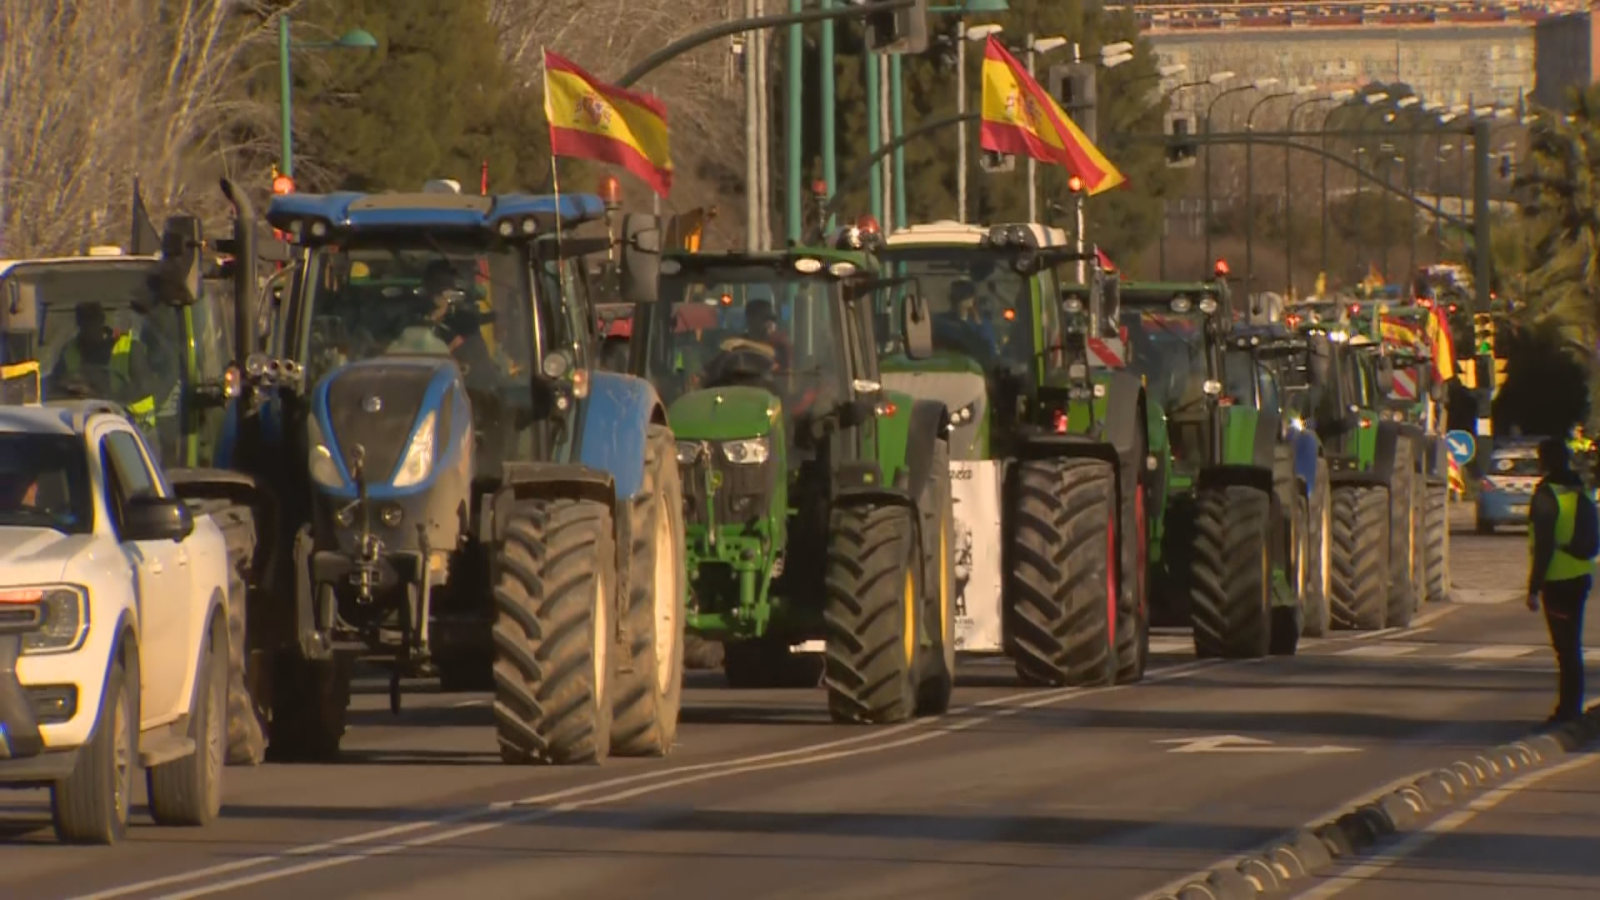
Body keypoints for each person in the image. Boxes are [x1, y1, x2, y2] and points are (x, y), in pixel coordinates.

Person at [1526, 436, 1597, 726]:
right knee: (1572, 647)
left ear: (1544, 461)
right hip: (1581, 576)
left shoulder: (1546, 495)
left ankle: (1567, 712)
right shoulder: (1580, 491)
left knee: (1564, 649)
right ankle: (1572, 707)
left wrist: (1533, 588)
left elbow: (1543, 546)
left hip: (1557, 581)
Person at [49, 301, 156, 435]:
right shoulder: (70, 351)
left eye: (93, 319)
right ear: (78, 323)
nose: (89, 325)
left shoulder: (130, 349)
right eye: (84, 320)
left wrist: (104, 397)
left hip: (134, 430)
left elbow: (144, 388)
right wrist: (69, 386)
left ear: (102, 320)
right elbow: (54, 383)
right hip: (84, 427)